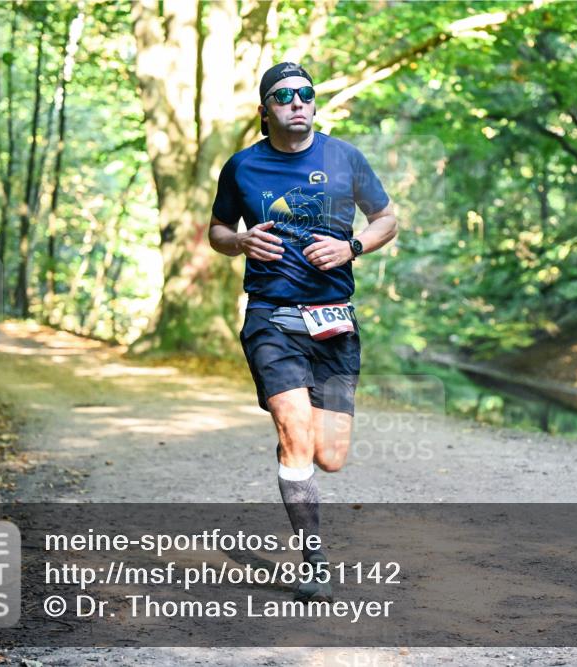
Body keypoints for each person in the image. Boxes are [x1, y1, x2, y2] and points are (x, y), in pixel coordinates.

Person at [207, 62, 397, 602]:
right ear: (265, 109)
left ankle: (296, 457)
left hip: (334, 321)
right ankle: (313, 559)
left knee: (330, 456)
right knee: (295, 431)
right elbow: (218, 230)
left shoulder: (345, 157)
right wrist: (240, 243)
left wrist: (352, 246)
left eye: (305, 94)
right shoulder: (242, 167)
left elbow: (387, 218)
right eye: (283, 95)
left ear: (314, 104)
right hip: (272, 316)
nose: (297, 101)